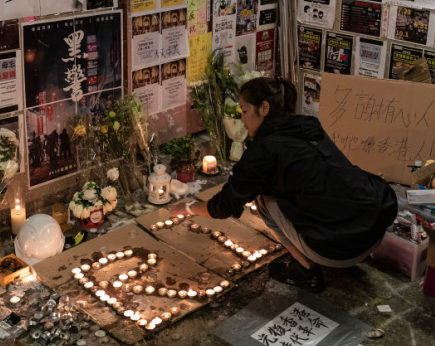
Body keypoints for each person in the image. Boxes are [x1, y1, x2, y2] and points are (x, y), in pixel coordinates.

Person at [170, 77, 397, 293]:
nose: (242, 120)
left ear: (265, 108)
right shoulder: (308, 127)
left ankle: (307, 271)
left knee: (264, 201)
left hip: (338, 251)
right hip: (373, 233)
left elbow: (224, 206)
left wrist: (188, 208)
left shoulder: (264, 152)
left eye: (245, 111)